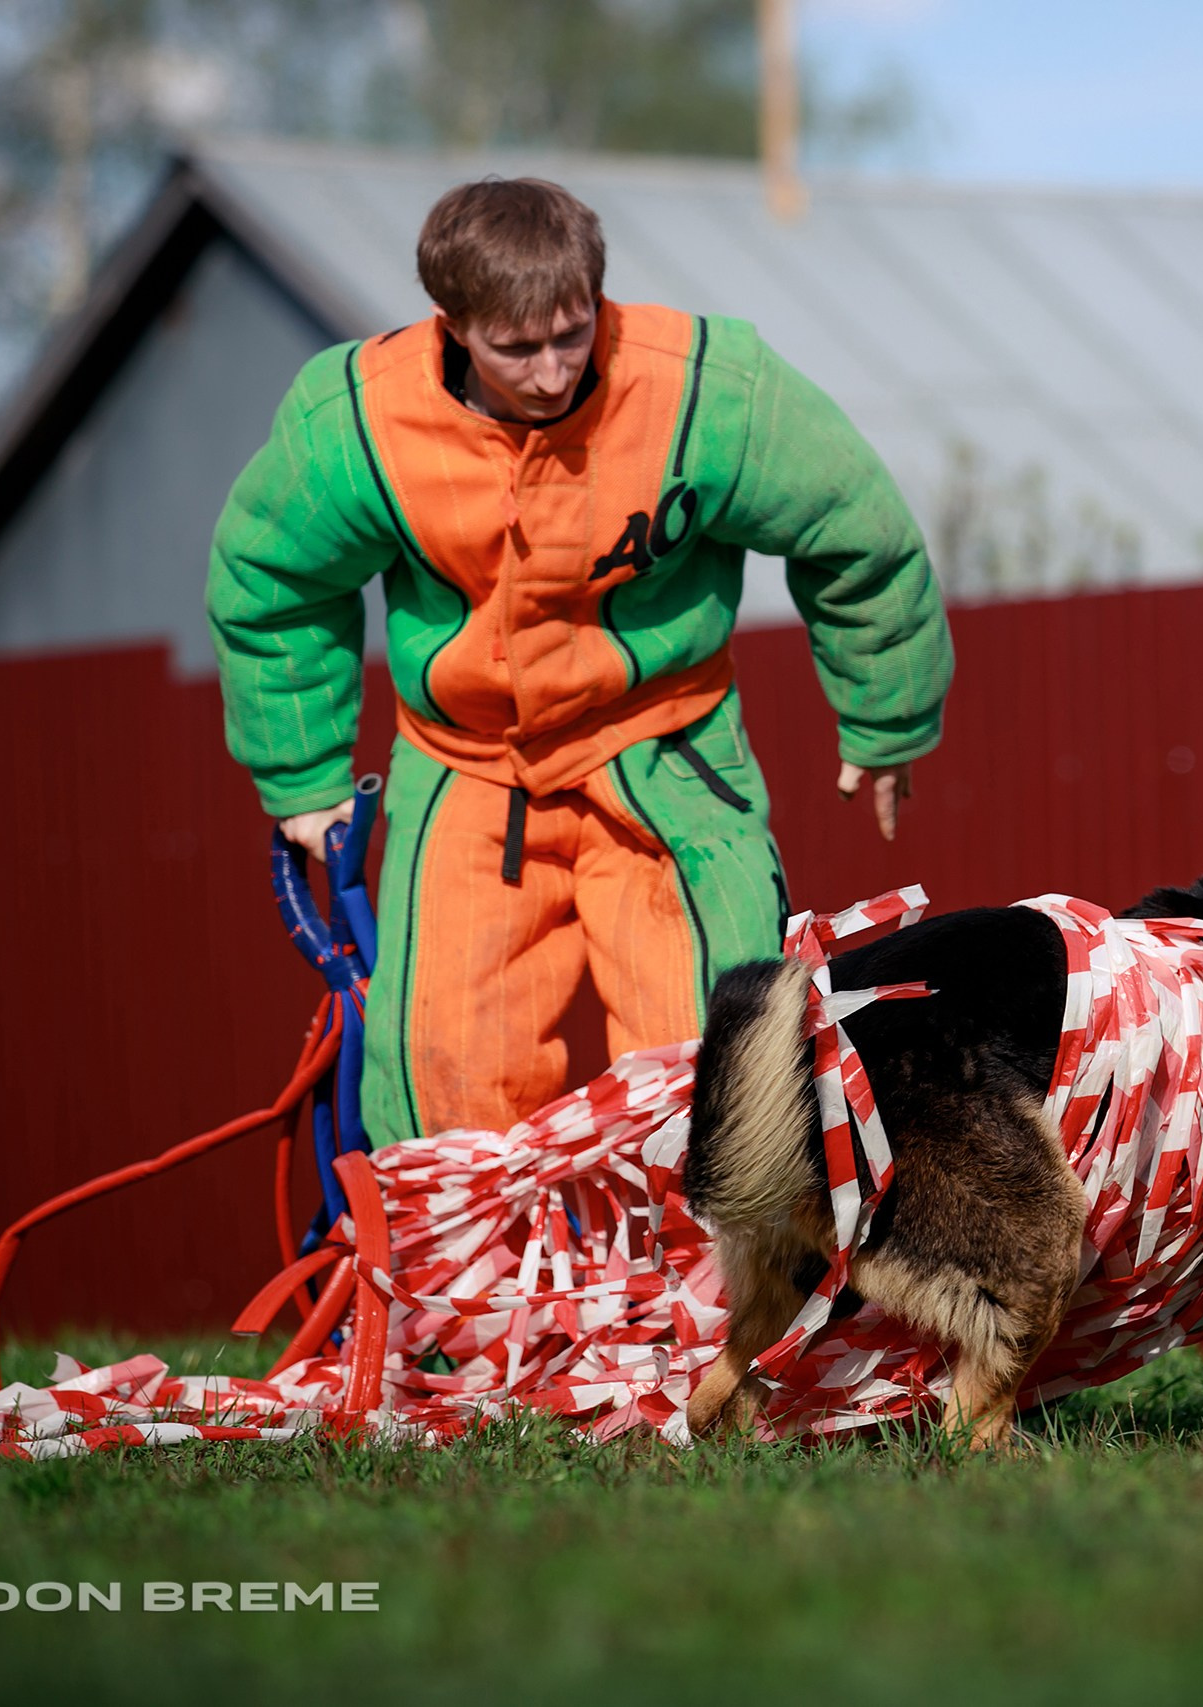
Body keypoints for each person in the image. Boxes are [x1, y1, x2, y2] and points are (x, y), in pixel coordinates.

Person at [207, 177, 952, 1147]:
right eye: (518, 349)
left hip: (664, 746)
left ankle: (728, 1289)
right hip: (468, 765)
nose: (555, 371)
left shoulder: (704, 390)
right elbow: (272, 580)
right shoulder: (359, 422)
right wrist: (299, 776)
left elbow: (856, 529)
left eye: (573, 335)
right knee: (439, 1074)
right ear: (452, 326)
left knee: (726, 1050)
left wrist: (884, 719)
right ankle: (477, 1297)